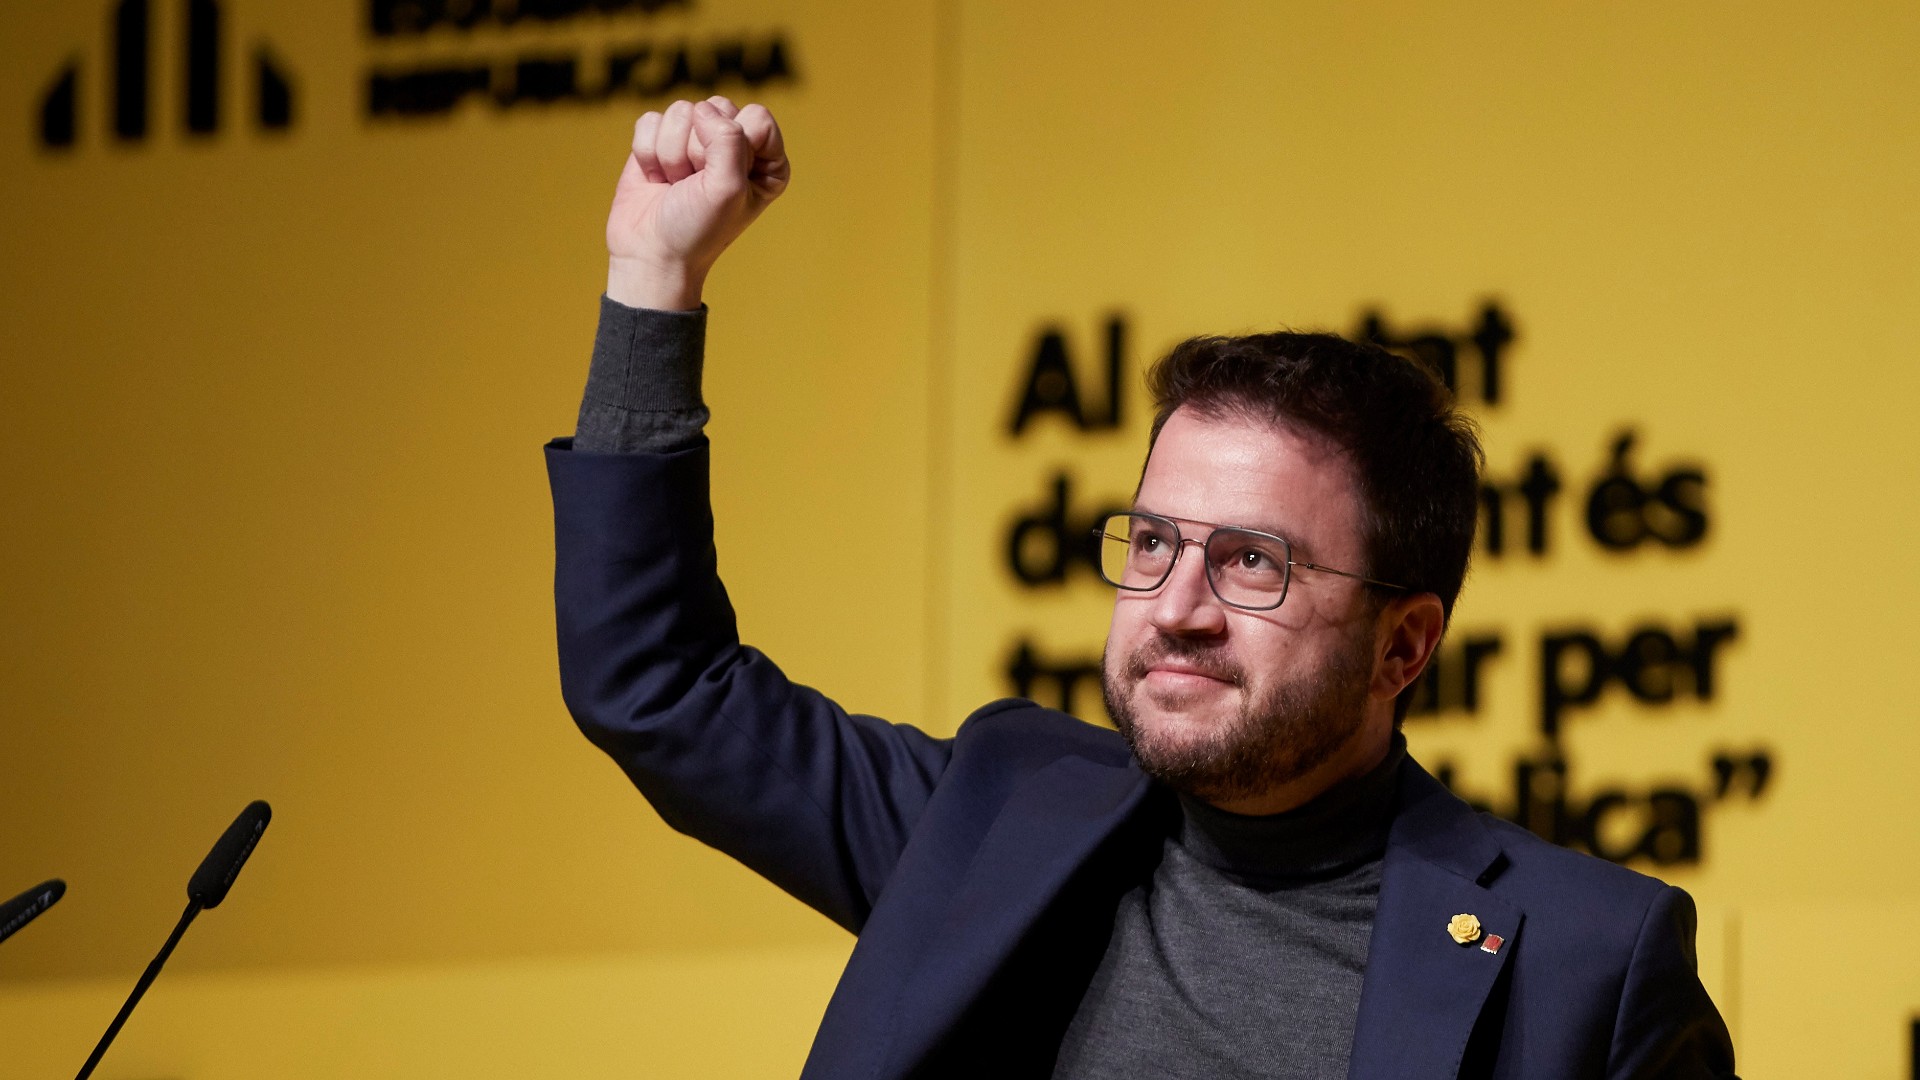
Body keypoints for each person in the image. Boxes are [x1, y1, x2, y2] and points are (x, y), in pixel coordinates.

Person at [546, 96, 1738, 1079]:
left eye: (1253, 562)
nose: (1175, 608)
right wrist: (654, 276)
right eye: (1155, 543)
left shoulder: (1585, 960)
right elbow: (658, 686)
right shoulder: (991, 817)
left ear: (1404, 645)